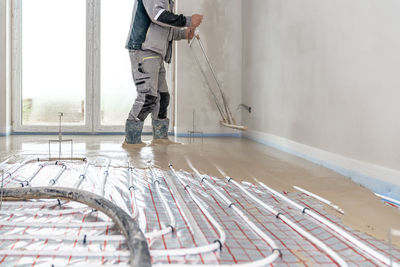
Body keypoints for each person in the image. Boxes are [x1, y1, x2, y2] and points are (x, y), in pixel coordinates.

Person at [125, 0, 203, 144]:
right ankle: (132, 142)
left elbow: (164, 29)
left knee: (163, 97)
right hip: (144, 50)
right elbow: (158, 16)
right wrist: (188, 20)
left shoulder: (167, 1)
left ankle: (160, 140)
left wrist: (183, 34)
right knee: (148, 97)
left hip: (156, 53)